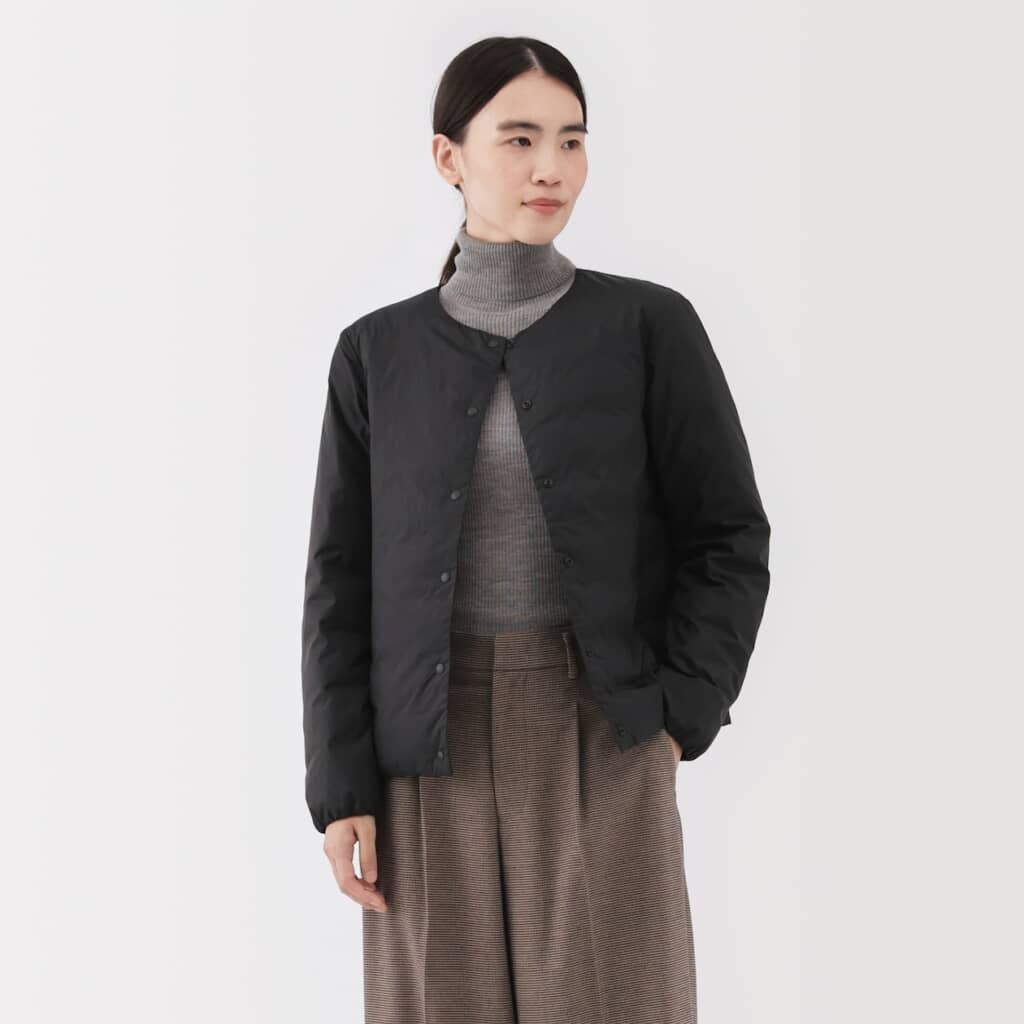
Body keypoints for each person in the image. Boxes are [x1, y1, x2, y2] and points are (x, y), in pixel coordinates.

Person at [300, 35, 771, 1024]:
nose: (551, 166)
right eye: (518, 139)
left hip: (602, 726)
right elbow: (339, 584)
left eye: (571, 139)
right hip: (422, 746)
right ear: (449, 157)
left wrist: (681, 712)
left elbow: (727, 534)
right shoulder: (377, 353)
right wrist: (341, 785)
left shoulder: (648, 328)